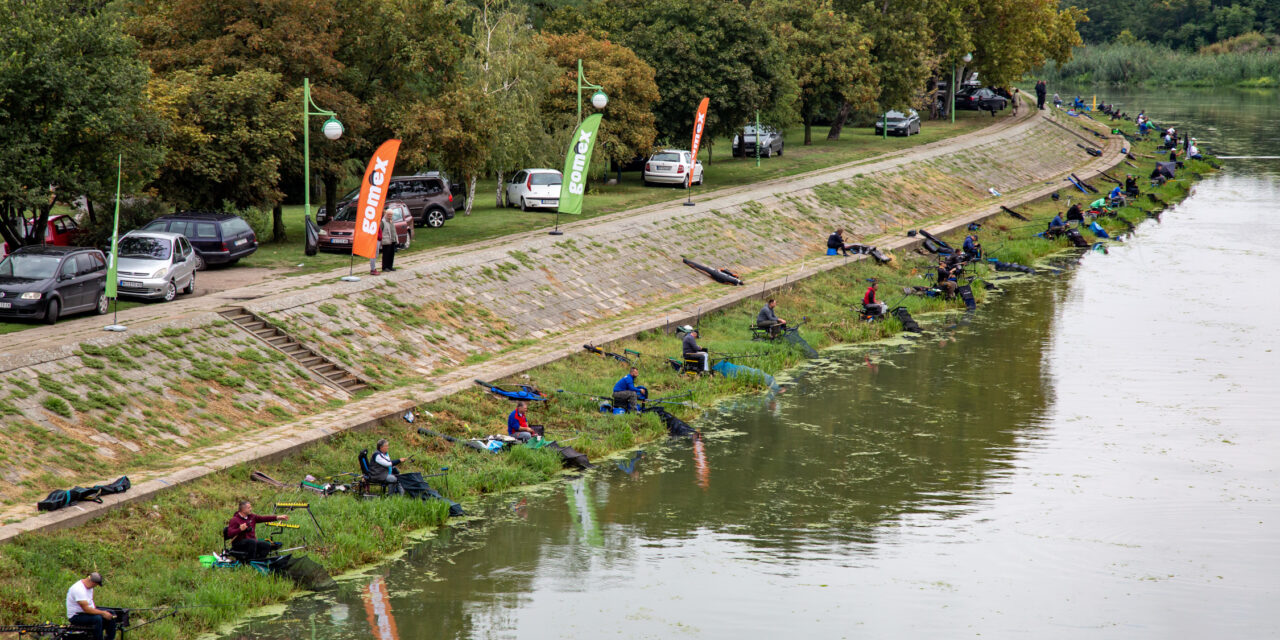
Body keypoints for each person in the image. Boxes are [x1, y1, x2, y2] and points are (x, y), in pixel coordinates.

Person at [67, 572, 115, 640]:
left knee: (111, 613)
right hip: (76, 616)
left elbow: (90, 604)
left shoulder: (89, 587)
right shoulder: (78, 589)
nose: (95, 587)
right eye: (96, 585)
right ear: (93, 582)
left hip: (86, 612)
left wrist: (105, 613)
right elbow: (86, 609)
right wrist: (102, 613)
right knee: (97, 619)